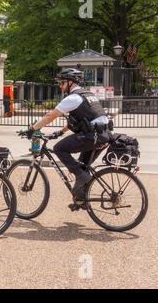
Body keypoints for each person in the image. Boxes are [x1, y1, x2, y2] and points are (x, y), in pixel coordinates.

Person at [20, 68, 111, 211]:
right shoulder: (87, 95)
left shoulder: (72, 98)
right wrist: (60, 132)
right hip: (103, 135)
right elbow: (81, 120)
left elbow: (50, 116)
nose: (61, 87)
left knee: (59, 149)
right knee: (82, 167)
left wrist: (32, 129)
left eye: (62, 83)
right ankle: (81, 200)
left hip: (93, 136)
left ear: (70, 82)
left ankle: (81, 178)